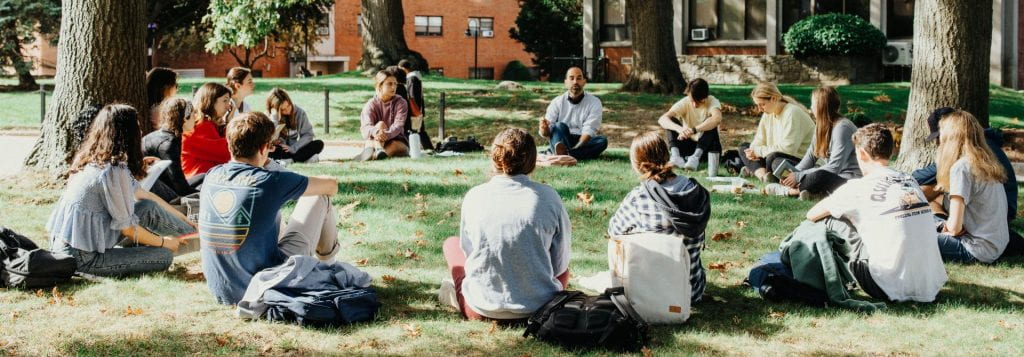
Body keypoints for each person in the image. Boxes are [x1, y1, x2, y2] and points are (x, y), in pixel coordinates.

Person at [199, 112, 341, 305]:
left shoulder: (212, 175)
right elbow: (331, 185)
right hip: (266, 285)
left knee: (271, 214)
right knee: (318, 197)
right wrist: (271, 164)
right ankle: (328, 266)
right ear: (265, 147)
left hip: (223, 291)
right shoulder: (269, 181)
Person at [47, 104, 196, 277]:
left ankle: (195, 237)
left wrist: (183, 219)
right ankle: (197, 241)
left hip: (71, 243)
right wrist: (164, 242)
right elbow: (128, 229)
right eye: (138, 127)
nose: (141, 132)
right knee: (163, 256)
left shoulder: (96, 159)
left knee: (147, 206)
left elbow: (144, 195)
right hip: (82, 258)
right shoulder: (113, 171)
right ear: (128, 134)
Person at [804, 123, 947, 302]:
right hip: (930, 284)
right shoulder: (909, 180)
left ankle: (823, 274)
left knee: (830, 220)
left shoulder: (858, 188)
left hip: (885, 285)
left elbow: (811, 215)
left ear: (862, 154)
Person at [441, 128, 571, 321]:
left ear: (494, 159)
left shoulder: (475, 195)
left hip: (481, 308)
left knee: (452, 244)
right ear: (533, 161)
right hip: (540, 307)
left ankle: (455, 291)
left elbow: (470, 255)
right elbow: (560, 264)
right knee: (564, 271)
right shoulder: (549, 197)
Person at [607, 132, 710, 304]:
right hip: (691, 291)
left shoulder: (639, 198)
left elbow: (613, 231)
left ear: (638, 165)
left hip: (651, 294)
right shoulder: (696, 192)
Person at [911, 107, 1017, 223]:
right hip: (1000, 207)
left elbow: (920, 177)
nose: (937, 142)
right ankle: (943, 222)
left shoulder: (968, 153)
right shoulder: (981, 143)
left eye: (939, 136)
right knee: (937, 190)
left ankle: (939, 224)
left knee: (932, 188)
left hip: (997, 213)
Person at [930, 110, 1009, 263]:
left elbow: (955, 228)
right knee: (929, 221)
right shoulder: (984, 163)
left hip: (975, 248)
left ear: (951, 138)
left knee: (910, 235)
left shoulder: (961, 168)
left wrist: (945, 231)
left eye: (942, 136)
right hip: (996, 245)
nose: (939, 142)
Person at [764, 86, 860, 199]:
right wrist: (793, 173)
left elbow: (834, 167)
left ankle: (790, 191)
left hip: (845, 178)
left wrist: (798, 176)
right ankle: (810, 191)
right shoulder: (821, 126)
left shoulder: (842, 128)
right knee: (776, 160)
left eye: (813, 104)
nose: (811, 107)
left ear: (821, 106)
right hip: (826, 172)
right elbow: (810, 157)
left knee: (818, 176)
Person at [738, 82, 815, 182]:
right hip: (775, 154)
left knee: (774, 160)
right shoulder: (768, 113)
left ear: (774, 98)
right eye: (758, 105)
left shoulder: (792, 113)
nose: (760, 109)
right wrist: (752, 151)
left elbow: (787, 150)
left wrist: (758, 152)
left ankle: (760, 172)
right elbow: (759, 139)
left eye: (762, 104)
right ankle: (764, 176)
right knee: (744, 147)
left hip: (801, 161)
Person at [539, 67, 608, 160]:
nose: (575, 82)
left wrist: (575, 148)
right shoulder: (557, 102)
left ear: (584, 81)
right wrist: (544, 130)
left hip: (582, 140)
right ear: (566, 82)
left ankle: (562, 154)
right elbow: (548, 132)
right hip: (562, 138)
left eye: (579, 78)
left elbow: (589, 129)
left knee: (602, 141)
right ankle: (570, 154)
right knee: (559, 126)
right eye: (571, 78)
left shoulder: (595, 102)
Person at [657, 78, 723, 170]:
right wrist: (680, 130)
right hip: (688, 145)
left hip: (707, 148)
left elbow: (717, 119)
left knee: (711, 122)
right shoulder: (685, 101)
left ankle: (695, 158)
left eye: (698, 101)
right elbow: (662, 119)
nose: (694, 105)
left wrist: (694, 130)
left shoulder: (712, 101)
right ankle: (676, 157)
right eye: (692, 101)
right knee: (671, 120)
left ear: (705, 97)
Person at [142, 98, 198, 202]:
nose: (196, 118)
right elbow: (179, 184)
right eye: (193, 114)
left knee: (204, 176)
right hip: (156, 192)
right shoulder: (168, 142)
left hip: (161, 185)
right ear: (185, 118)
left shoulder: (168, 135)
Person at [181, 83, 234, 186]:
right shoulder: (201, 126)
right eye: (225, 100)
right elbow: (228, 152)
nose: (229, 106)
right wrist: (230, 123)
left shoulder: (208, 124)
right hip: (198, 183)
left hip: (205, 180)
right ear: (211, 101)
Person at [357, 69, 409, 161]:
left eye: (395, 84)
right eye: (389, 84)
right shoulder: (371, 104)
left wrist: (385, 135)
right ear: (379, 86)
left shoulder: (401, 102)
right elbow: (365, 127)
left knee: (394, 145)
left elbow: (398, 126)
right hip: (374, 139)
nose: (393, 87)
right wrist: (377, 132)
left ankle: (375, 154)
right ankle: (377, 150)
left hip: (397, 141)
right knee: (380, 124)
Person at [266, 88, 324, 163]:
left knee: (318, 144)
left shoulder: (300, 113)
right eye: (283, 110)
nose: (288, 110)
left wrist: (294, 148)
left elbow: (308, 135)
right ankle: (303, 158)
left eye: (288, 106)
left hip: (295, 149)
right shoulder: (270, 116)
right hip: (280, 150)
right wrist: (274, 118)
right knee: (269, 152)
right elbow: (266, 141)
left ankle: (291, 160)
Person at [398, 59, 432, 150]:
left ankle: (429, 148)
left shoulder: (411, 78)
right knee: (418, 130)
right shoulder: (414, 77)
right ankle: (426, 148)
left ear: (403, 68)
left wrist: (413, 110)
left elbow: (412, 96)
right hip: (417, 108)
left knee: (419, 130)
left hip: (415, 108)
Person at [146, 67, 178, 131]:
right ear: (165, 87)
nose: (176, 88)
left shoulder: (154, 106)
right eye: (175, 84)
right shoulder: (159, 110)